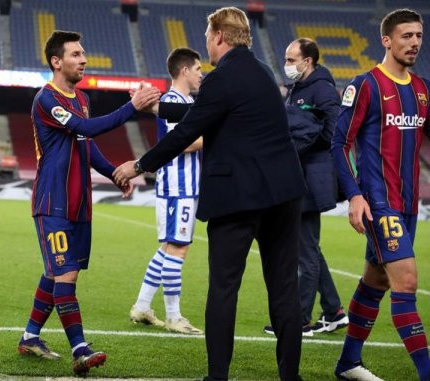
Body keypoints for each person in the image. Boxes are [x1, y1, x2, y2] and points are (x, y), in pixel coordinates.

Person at [113, 7, 306, 381]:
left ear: (218, 36)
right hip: (284, 193)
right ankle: (290, 376)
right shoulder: (263, 72)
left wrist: (139, 166)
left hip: (238, 196)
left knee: (223, 288)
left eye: (207, 38)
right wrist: (154, 104)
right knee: (284, 289)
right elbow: (201, 111)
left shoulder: (221, 78)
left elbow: (186, 131)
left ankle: (217, 377)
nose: (206, 46)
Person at [16, 30, 159, 376]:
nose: (84, 59)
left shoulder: (80, 97)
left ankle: (30, 336)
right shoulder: (46, 99)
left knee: (59, 270)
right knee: (64, 272)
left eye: (84, 53)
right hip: (53, 202)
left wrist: (114, 173)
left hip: (80, 203)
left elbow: (86, 144)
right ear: (56, 61)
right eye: (76, 54)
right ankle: (80, 348)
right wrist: (132, 107)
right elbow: (86, 128)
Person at [331, 8, 429, 381]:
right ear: (386, 40)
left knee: (377, 281)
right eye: (406, 36)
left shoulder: (421, 89)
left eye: (418, 35)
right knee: (406, 282)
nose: (414, 42)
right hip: (379, 202)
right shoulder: (367, 85)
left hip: (408, 205)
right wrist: (355, 195)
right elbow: (339, 143)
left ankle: (348, 364)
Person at [263, 38, 348, 338]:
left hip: (311, 179)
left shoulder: (322, 89)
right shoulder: (298, 88)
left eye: (290, 59)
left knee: (304, 252)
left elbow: (336, 129)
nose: (286, 65)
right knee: (308, 248)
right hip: (300, 175)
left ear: (307, 61)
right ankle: (334, 310)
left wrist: (306, 141)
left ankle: (299, 319)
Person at [129, 47, 204, 335]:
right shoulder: (173, 100)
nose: (201, 75)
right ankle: (174, 317)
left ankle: (142, 306)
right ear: (184, 70)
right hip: (177, 186)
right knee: (178, 248)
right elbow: (180, 142)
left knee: (167, 248)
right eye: (197, 69)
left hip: (181, 186)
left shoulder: (182, 101)